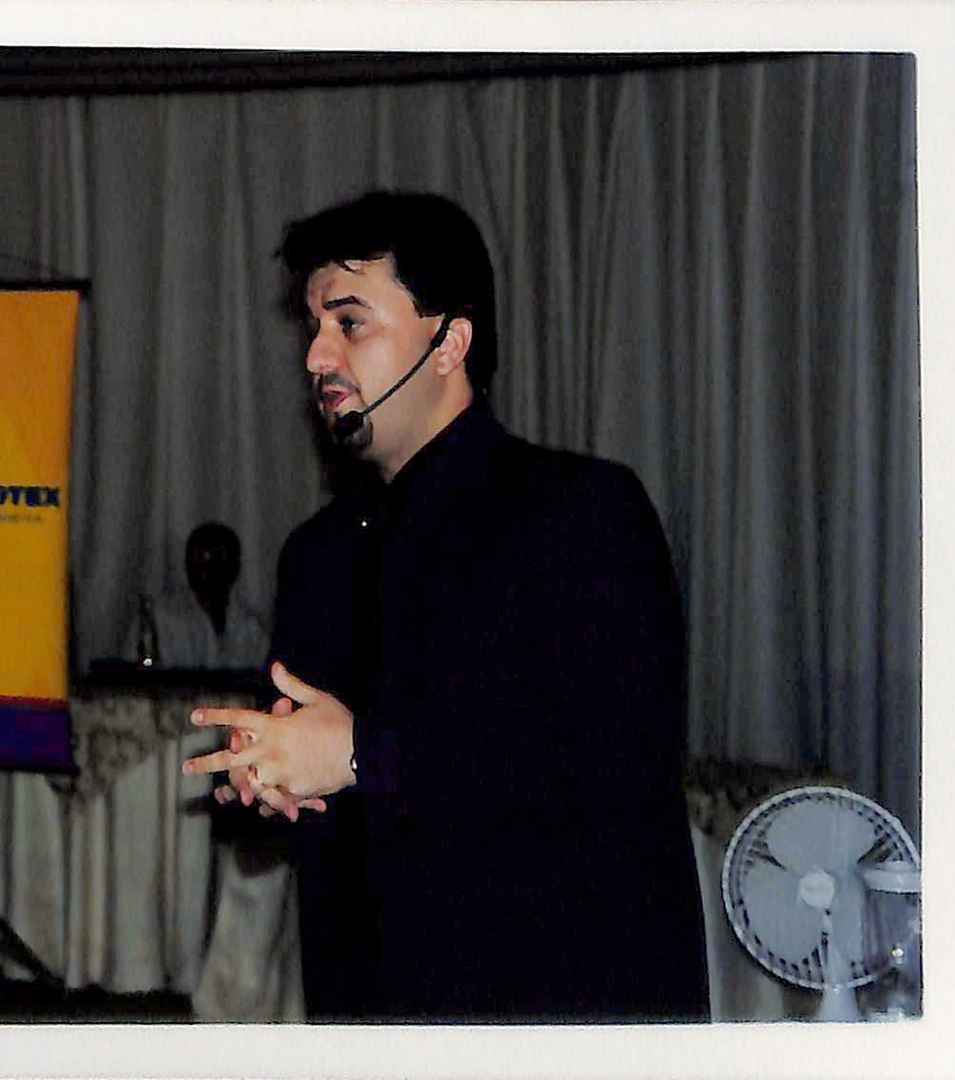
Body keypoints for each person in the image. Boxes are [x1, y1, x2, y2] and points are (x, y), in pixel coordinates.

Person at [183, 191, 709, 1022]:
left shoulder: (582, 512)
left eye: (348, 323)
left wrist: (360, 755)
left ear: (448, 343)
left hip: (553, 1012)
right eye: (313, 327)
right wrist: (265, 782)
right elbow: (313, 802)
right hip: (367, 1015)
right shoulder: (315, 554)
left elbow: (608, 764)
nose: (316, 356)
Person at [125, 521, 270, 670]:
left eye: (218, 563)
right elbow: (134, 677)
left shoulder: (251, 629)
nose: (210, 573)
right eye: (202, 563)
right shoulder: (158, 619)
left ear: (235, 569)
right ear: (188, 566)